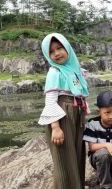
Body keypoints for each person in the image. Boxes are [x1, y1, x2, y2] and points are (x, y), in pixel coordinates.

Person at [38, 33, 89, 189]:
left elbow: (80, 94)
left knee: (77, 155)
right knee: (65, 161)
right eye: (51, 51)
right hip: (62, 115)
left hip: (76, 114)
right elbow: (51, 100)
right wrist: (55, 127)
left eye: (59, 48)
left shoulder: (76, 70)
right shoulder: (55, 72)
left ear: (67, 47)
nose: (56, 54)